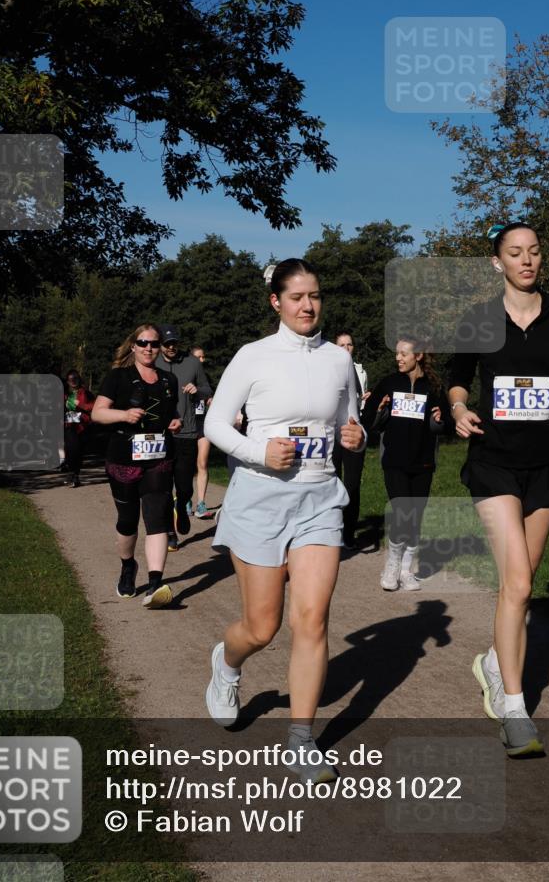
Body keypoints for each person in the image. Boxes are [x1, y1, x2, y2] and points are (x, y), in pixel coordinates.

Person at [203, 259, 365, 781]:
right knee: (262, 626)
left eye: (314, 295)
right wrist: (256, 453)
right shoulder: (253, 357)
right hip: (261, 499)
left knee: (312, 620)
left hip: (319, 498)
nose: (308, 306)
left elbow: (349, 422)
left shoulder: (339, 361)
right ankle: (227, 666)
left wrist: (355, 436)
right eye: (296, 297)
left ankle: (301, 740)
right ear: (276, 301)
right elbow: (215, 423)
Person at [448, 222, 549, 757]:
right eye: (515, 253)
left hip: (547, 465)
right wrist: (459, 406)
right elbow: (458, 373)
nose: (527, 260)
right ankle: (513, 706)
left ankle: (494, 658)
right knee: (516, 583)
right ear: (498, 262)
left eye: (535, 251)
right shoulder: (480, 318)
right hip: (494, 462)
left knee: (523, 583)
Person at [92, 325, 183, 608]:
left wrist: (175, 421)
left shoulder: (169, 380)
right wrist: (124, 414)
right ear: (133, 346)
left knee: (157, 517)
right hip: (123, 458)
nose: (149, 348)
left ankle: (155, 584)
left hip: (158, 457)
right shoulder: (118, 377)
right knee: (128, 521)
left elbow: (172, 413)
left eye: (154, 344)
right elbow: (97, 413)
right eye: (143, 343)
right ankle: (128, 565)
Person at [361, 336, 451, 590]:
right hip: (394, 460)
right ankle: (391, 566)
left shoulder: (434, 387)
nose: (398, 358)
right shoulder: (389, 383)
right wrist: (379, 411)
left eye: (403, 353)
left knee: (415, 517)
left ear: (418, 356)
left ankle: (406, 570)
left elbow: (447, 426)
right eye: (397, 353)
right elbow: (368, 417)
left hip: (423, 462)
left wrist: (440, 418)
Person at [155, 326, 212, 547]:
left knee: (184, 484)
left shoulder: (192, 363)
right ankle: (170, 531)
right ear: (160, 344)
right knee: (163, 485)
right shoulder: (153, 363)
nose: (170, 347)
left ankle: (183, 505)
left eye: (174, 343)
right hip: (160, 433)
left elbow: (208, 389)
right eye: (167, 343)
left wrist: (197, 389)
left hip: (187, 432)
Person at [332, 333, 371, 548]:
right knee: (333, 481)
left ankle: (349, 533)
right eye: (341, 345)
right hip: (333, 432)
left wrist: (368, 398)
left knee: (353, 484)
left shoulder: (360, 371)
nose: (346, 348)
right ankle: (333, 530)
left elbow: (359, 403)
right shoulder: (328, 368)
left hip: (355, 431)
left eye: (349, 344)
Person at [189, 344, 212, 518]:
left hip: (203, 423)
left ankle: (201, 503)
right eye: (198, 357)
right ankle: (184, 499)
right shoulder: (184, 376)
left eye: (203, 357)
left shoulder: (207, 379)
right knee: (185, 466)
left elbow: (213, 399)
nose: (202, 360)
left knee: (202, 463)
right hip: (186, 424)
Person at [62, 370, 95, 488]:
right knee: (72, 448)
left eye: (75, 379)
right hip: (69, 425)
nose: (73, 381)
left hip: (82, 426)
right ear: (67, 381)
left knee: (79, 451)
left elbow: (93, 407)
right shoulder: (64, 393)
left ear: (79, 379)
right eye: (70, 379)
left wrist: (80, 405)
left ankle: (75, 475)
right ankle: (71, 473)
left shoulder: (86, 393)